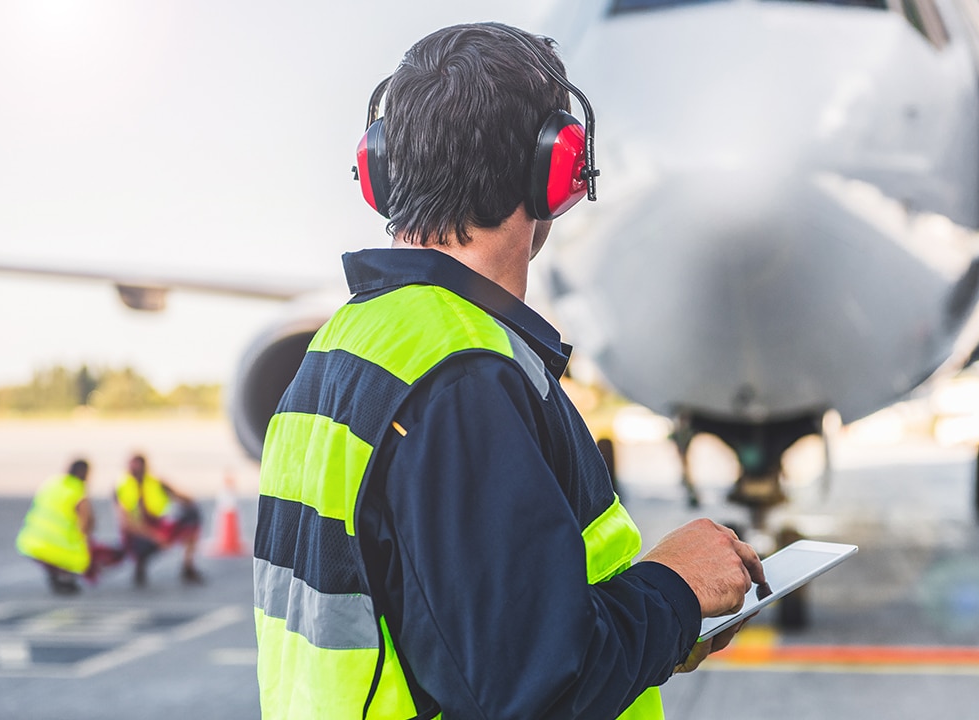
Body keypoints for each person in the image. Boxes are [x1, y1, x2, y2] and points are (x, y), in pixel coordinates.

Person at [253, 22, 765, 719]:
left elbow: (450, 642)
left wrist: (663, 631)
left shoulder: (343, 348)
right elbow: (537, 688)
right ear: (558, 168)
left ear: (379, 171)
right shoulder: (461, 379)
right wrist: (675, 587)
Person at [16, 458, 122, 595]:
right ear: (84, 473)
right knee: (92, 555)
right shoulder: (77, 490)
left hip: (31, 543)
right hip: (59, 548)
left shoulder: (53, 483)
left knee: (61, 554)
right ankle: (67, 577)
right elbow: (86, 522)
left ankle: (58, 574)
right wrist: (85, 537)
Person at [114, 453, 204, 587]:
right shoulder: (123, 488)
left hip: (157, 525)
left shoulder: (155, 483)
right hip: (138, 534)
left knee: (192, 516)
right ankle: (140, 564)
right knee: (141, 543)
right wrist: (155, 537)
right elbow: (127, 524)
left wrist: (172, 490)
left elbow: (185, 499)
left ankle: (188, 566)